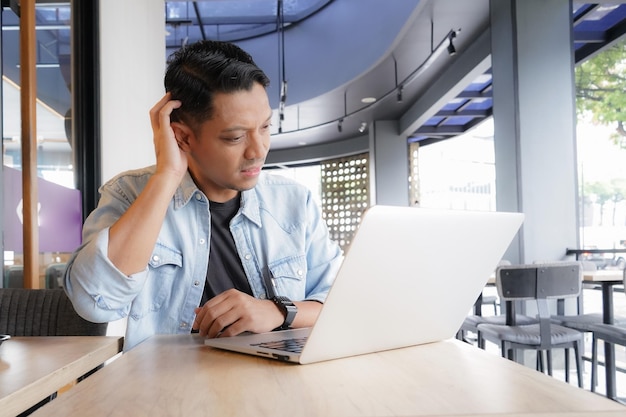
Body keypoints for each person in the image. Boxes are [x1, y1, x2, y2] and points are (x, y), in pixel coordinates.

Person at [64, 40, 343, 351]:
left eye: (265, 127)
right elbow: (93, 302)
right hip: (166, 391)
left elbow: (343, 302)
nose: (258, 150)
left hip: (277, 385)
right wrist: (166, 175)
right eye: (235, 137)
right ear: (182, 136)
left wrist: (278, 311)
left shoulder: (294, 202)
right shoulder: (128, 194)